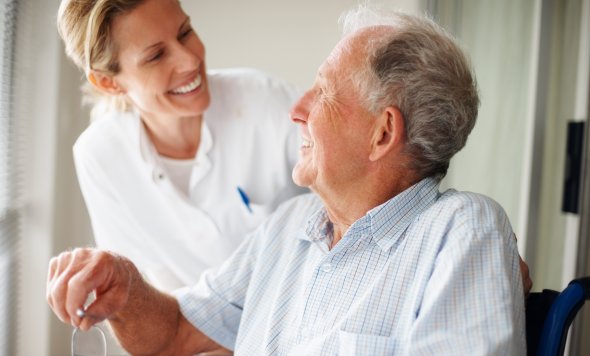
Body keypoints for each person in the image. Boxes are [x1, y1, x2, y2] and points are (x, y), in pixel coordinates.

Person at [47, 6, 527, 354]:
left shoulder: (460, 232)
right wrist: (125, 287)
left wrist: (494, 258)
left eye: (323, 93)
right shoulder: (288, 226)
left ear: (382, 133)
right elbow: (173, 331)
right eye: (155, 55)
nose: (296, 111)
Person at [58, 0, 306, 292]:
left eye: (185, 32)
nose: (190, 60)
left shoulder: (265, 100)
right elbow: (138, 289)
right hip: (198, 330)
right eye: (156, 56)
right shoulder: (100, 156)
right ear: (108, 82)